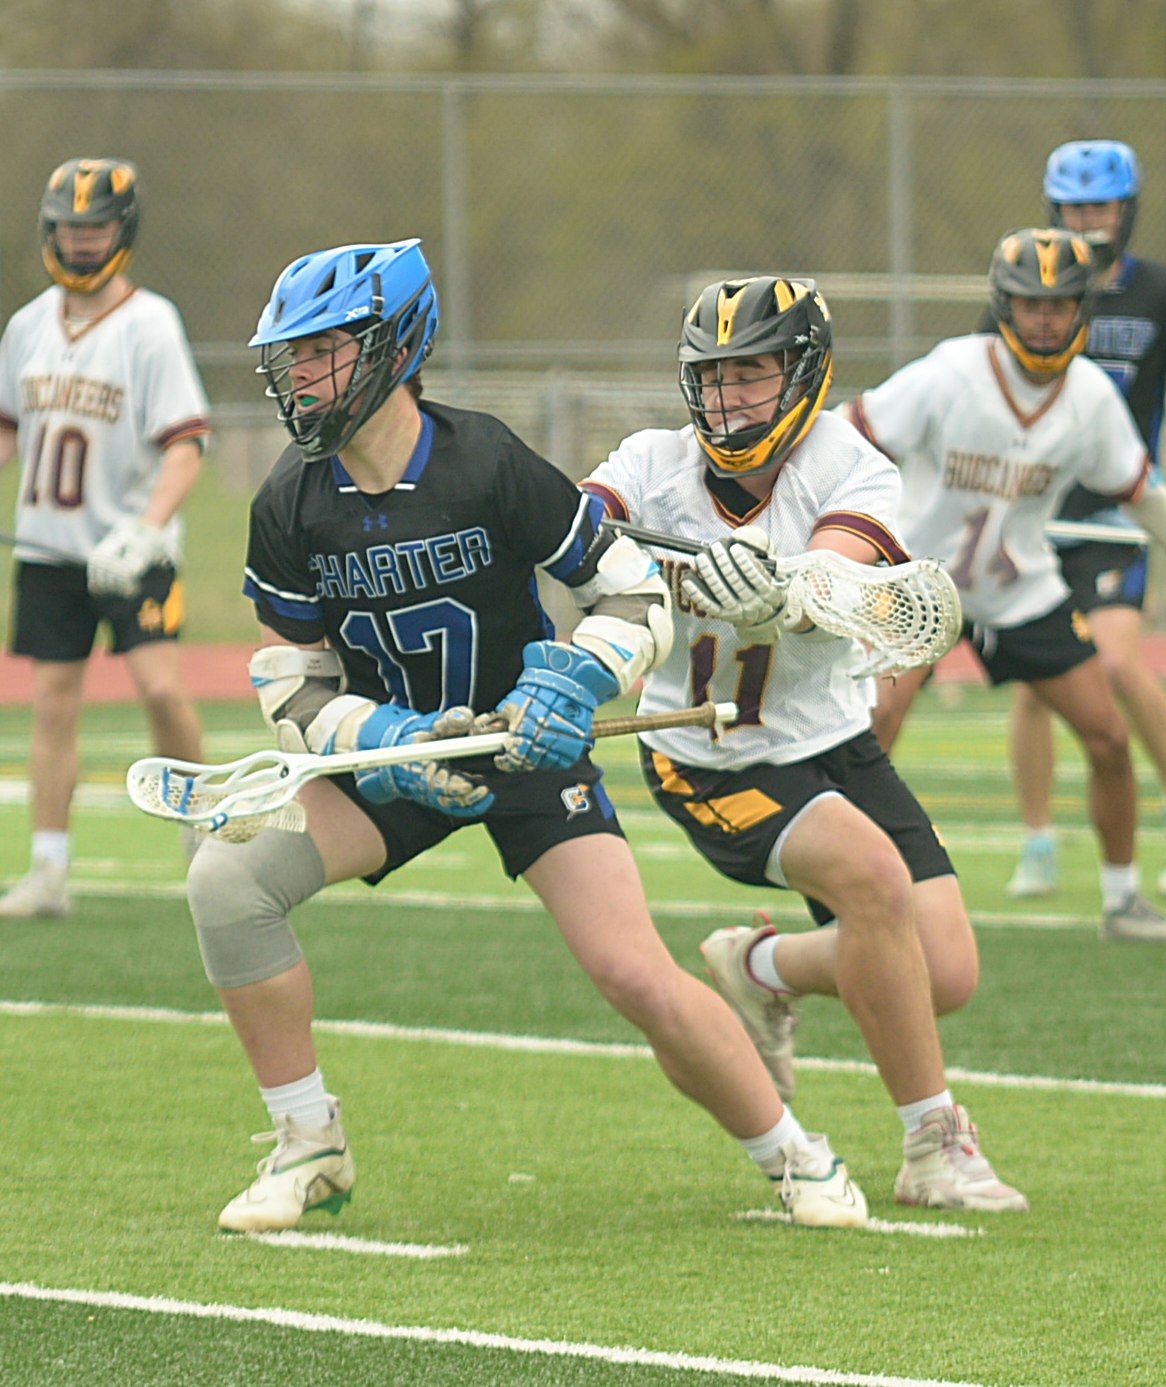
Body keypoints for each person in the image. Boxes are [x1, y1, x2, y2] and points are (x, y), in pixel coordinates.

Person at [186, 239, 869, 1235]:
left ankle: (793, 1152)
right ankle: (308, 1143)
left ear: (394, 348)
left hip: (525, 748)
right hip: (389, 758)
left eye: (323, 350)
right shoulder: (289, 501)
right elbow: (290, 678)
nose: (300, 376)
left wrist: (575, 678)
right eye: (292, 355)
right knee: (226, 884)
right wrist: (391, 736)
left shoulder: (486, 461)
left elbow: (630, 589)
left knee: (634, 972)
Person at [582, 274, 1027, 1212]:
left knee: (945, 972)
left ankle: (760, 966)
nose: (728, 398)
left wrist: (783, 593)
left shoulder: (852, 465)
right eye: (713, 376)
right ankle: (932, 1146)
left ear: (804, 372)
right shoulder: (652, 463)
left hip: (831, 740)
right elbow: (573, 526)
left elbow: (834, 569)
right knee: (873, 879)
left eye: (751, 373)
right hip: (708, 755)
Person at [850, 227, 1166, 942]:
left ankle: (1123, 899)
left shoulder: (1091, 397)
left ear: (1082, 309)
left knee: (1108, 736)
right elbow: (853, 432)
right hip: (920, 584)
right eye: (1031, 304)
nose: (1045, 320)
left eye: (1059, 305)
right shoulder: (951, 371)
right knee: (873, 724)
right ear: (1004, 306)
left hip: (1023, 588)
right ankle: (851, 892)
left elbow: (1138, 492)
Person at [0, 157, 210, 918]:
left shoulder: (151, 324)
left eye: (96, 228)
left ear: (123, 230)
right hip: (48, 550)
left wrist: (148, 530)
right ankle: (48, 870)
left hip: (131, 553)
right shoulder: (27, 326)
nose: (82, 241)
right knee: (52, 704)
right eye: (70, 228)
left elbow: (185, 444)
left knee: (161, 689)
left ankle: (201, 835)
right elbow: (9, 428)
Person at [1000, 142, 1166, 900]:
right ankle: (1038, 841)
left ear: (1125, 210)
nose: (1087, 222)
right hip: (1033, 515)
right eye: (1072, 209)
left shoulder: (1155, 291)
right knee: (1035, 685)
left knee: (1121, 665)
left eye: (1100, 207)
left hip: (1116, 510)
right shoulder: (1024, 286)